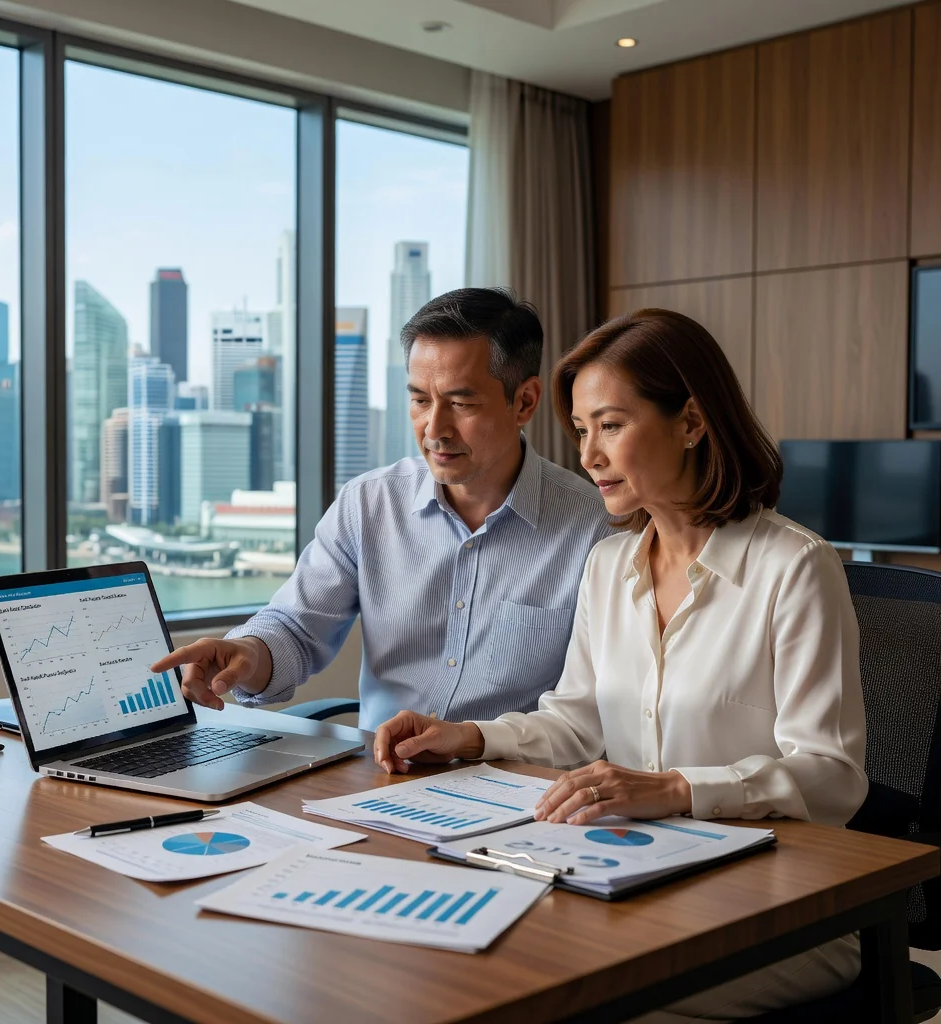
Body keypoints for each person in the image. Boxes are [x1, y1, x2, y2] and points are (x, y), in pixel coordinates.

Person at [372, 309, 868, 1022]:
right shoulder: (609, 564)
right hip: (637, 876)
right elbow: (575, 724)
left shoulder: (795, 567)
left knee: (575, 1001)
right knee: (468, 968)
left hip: (780, 907)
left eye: (611, 425)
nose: (589, 456)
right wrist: (470, 738)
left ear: (691, 421)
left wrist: (673, 788)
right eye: (580, 431)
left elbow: (833, 777)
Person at [152, 288, 611, 731]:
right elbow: (295, 628)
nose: (435, 428)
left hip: (519, 787)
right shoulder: (369, 503)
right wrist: (249, 652)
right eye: (419, 400)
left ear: (524, 401)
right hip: (379, 778)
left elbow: (594, 711)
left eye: (461, 402)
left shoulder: (595, 528)